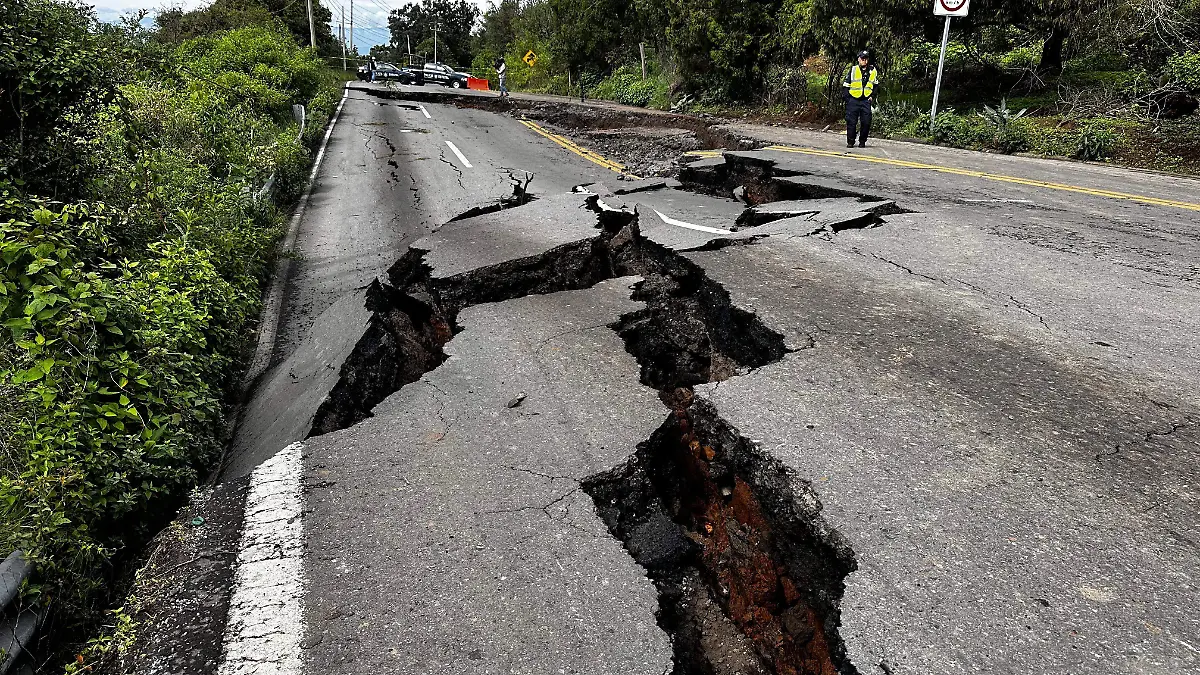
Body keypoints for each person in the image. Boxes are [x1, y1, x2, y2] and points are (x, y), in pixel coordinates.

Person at [843, 50, 880, 148]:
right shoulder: (853, 70)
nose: (864, 61)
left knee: (866, 122)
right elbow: (846, 85)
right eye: (862, 59)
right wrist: (848, 99)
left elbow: (876, 85)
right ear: (859, 59)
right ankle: (850, 142)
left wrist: (872, 96)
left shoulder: (872, 71)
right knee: (851, 122)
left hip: (865, 100)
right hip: (853, 99)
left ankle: (862, 141)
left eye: (866, 59)